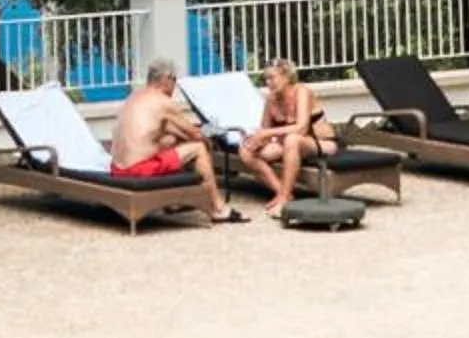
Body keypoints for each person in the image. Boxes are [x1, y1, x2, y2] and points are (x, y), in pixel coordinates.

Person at [108, 60, 241, 221]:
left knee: (170, 141)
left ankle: (174, 203)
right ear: (167, 79)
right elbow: (196, 135)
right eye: (175, 81)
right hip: (138, 169)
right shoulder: (163, 102)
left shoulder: (134, 97)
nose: (175, 86)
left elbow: (161, 132)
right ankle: (217, 207)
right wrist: (210, 134)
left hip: (117, 169)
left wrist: (179, 136)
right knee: (198, 148)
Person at [237, 58, 324, 219]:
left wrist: (267, 134)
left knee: (292, 139)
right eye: (266, 79)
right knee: (246, 150)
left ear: (286, 76)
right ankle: (283, 193)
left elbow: (302, 128)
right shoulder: (271, 99)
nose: (268, 83)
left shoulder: (302, 92)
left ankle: (283, 199)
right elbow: (265, 130)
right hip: (290, 145)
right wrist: (255, 139)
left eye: (272, 77)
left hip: (319, 143)